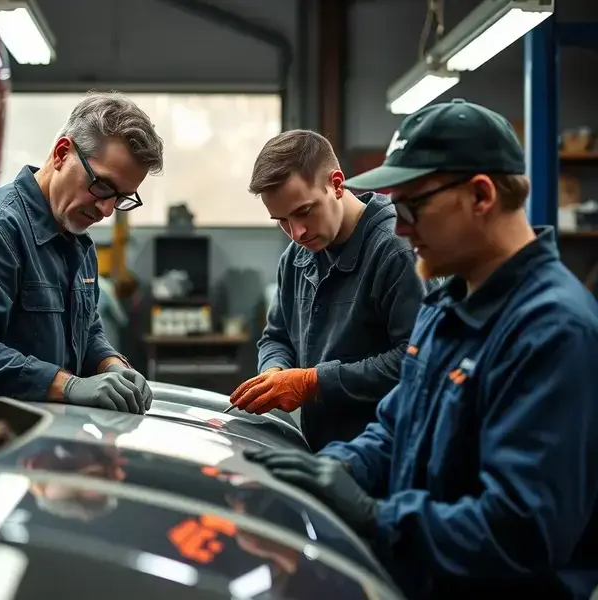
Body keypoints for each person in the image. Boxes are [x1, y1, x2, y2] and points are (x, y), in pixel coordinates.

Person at [244, 99, 598, 600]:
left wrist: (375, 515)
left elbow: (521, 531)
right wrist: (340, 468)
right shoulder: (446, 305)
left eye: (412, 207)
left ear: (481, 195)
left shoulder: (552, 330)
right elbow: (396, 427)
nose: (402, 228)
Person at [0, 92, 164, 416]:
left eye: (122, 198)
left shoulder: (79, 243)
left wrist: (111, 365)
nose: (107, 210)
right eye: (102, 186)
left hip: (46, 445)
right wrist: (68, 385)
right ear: (62, 153)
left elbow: (87, 331)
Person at [228, 130, 426, 450]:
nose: (297, 232)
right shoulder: (295, 257)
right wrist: (274, 372)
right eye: (281, 220)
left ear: (336, 184)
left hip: (388, 456)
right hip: (323, 450)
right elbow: (277, 336)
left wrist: (313, 383)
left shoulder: (395, 251)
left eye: (304, 211)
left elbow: (415, 360)